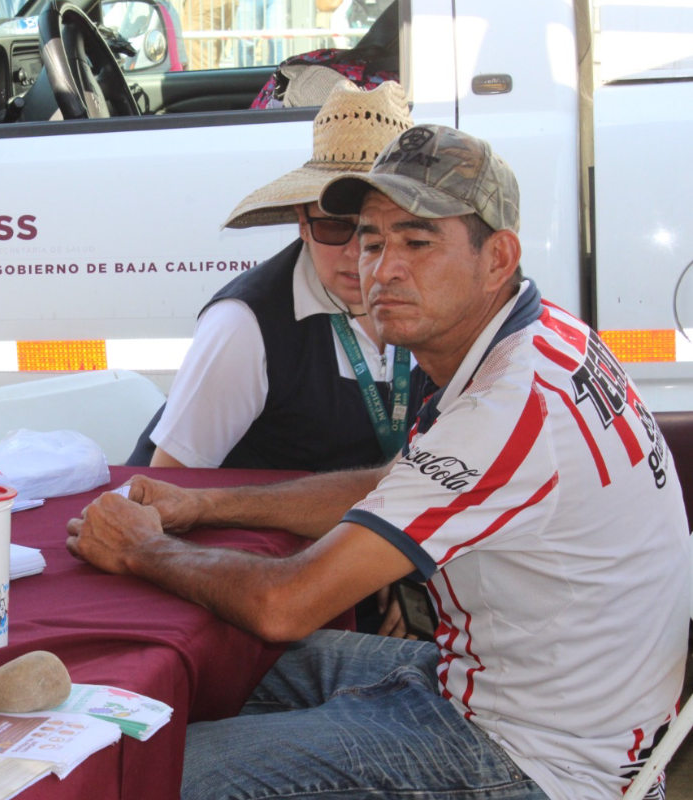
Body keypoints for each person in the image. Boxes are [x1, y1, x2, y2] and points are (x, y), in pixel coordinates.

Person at [69, 125, 690, 800]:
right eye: (370, 239)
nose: (383, 268)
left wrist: (143, 552)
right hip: (507, 688)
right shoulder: (542, 334)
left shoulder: (507, 406)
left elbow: (285, 604)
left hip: (536, 759)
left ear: (497, 257)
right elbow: (402, 484)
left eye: (418, 242)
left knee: (149, 771)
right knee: (218, 656)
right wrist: (208, 502)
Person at [134, 80, 421, 475]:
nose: (359, 255)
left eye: (378, 232)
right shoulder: (244, 326)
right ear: (302, 223)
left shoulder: (437, 297)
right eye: (337, 228)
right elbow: (168, 481)